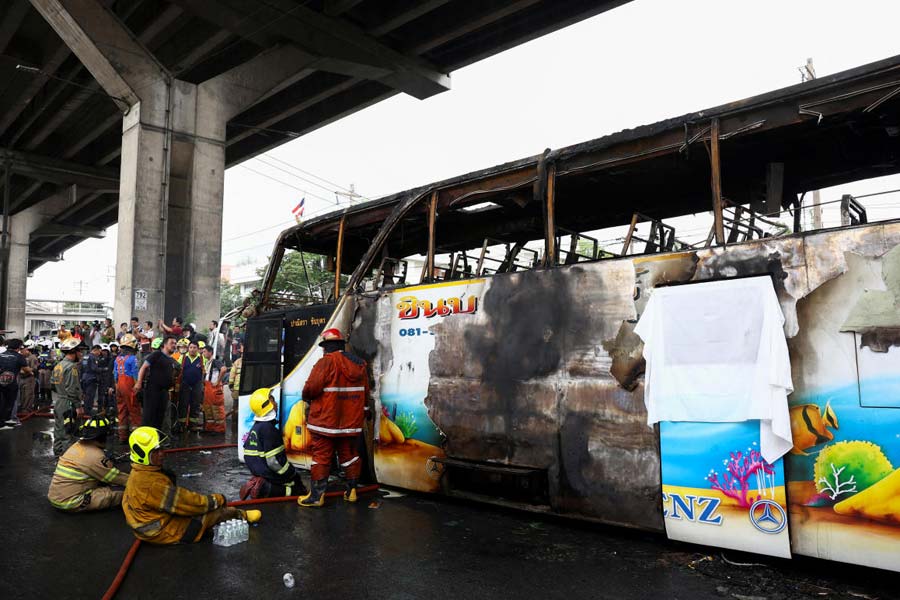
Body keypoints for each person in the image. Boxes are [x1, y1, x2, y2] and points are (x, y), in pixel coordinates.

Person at [122, 426, 261, 544]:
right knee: (212, 514)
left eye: (161, 449)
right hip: (163, 532)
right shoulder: (152, 483)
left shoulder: (138, 472)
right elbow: (188, 503)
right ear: (143, 454)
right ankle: (242, 515)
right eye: (156, 451)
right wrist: (217, 500)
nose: (162, 453)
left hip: (149, 528)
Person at [297, 328, 369, 507]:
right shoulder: (360, 365)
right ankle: (351, 491)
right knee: (349, 455)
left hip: (325, 422)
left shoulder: (326, 363)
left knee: (321, 456)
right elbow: (366, 394)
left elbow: (310, 389)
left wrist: (306, 396)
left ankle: (316, 496)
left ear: (326, 347)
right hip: (350, 423)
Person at [47, 416, 128, 512]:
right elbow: (117, 478)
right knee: (123, 491)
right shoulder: (96, 456)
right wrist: (140, 482)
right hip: (71, 502)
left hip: (55, 497)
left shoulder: (77, 445)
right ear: (102, 437)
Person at [240, 388, 307, 499]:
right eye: (273, 400)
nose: (276, 403)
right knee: (296, 486)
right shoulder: (269, 430)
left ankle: (260, 482)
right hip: (269, 473)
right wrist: (291, 473)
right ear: (267, 406)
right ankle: (265, 488)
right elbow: (274, 462)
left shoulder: (257, 427)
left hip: (258, 471)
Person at [135, 336, 177, 430]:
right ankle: (146, 438)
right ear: (165, 344)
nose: (174, 345)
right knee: (149, 416)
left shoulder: (170, 360)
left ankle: (156, 438)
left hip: (164, 392)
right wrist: (139, 383)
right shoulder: (156, 355)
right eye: (172, 343)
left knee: (160, 417)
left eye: (175, 343)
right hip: (152, 391)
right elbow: (143, 368)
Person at [51, 338, 85, 455]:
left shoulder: (58, 365)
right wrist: (78, 405)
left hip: (59, 401)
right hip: (68, 403)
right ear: (73, 352)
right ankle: (67, 457)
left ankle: (58, 452)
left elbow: (53, 385)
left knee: (59, 429)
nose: (81, 354)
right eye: (79, 351)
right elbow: (72, 389)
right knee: (69, 430)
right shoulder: (72, 367)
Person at [114, 335, 141, 443]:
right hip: (129, 385)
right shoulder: (132, 359)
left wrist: (116, 387)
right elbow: (135, 373)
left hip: (119, 385)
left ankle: (122, 437)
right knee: (134, 410)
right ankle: (136, 437)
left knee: (122, 410)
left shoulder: (117, 359)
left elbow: (115, 374)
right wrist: (137, 386)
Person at [0, 340, 33, 429]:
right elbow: (26, 369)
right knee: (10, 402)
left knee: (2, 402)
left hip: (1, 382)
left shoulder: (1, 355)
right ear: (18, 347)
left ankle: (5, 421)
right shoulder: (19, 356)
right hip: (11, 383)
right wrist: (31, 371)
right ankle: (3, 423)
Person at [175, 341, 205, 433]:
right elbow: (177, 369)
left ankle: (193, 425)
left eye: (194, 347)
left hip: (197, 384)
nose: (192, 349)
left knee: (195, 405)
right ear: (188, 348)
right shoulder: (183, 357)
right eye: (191, 347)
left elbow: (205, 371)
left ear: (198, 349)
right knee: (183, 404)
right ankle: (181, 425)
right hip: (185, 384)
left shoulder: (202, 358)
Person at [201, 345, 227, 433]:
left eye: (204, 351)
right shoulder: (208, 363)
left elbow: (223, 369)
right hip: (208, 387)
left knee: (217, 409)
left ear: (210, 352)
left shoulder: (216, 362)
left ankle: (219, 429)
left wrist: (218, 381)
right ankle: (210, 428)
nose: (203, 353)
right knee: (208, 408)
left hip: (214, 387)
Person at [81, 345, 103, 415]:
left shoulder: (85, 356)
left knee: (85, 395)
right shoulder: (93, 357)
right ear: (95, 350)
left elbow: (81, 367)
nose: (99, 353)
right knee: (90, 395)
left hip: (84, 378)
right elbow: (94, 368)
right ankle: (88, 411)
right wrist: (103, 369)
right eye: (99, 351)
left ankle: (85, 409)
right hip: (91, 378)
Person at [18, 343, 39, 414]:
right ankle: (22, 408)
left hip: (29, 378)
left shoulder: (32, 357)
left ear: (26, 350)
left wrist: (26, 370)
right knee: (22, 394)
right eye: (20, 350)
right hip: (21, 378)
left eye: (22, 350)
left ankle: (27, 409)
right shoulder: (21, 357)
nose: (20, 352)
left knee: (28, 394)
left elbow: (34, 369)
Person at [37, 340, 55, 411]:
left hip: (48, 369)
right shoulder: (41, 352)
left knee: (47, 384)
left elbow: (54, 360)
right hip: (41, 369)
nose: (42, 347)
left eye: (43, 346)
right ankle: (42, 397)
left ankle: (49, 398)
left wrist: (47, 360)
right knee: (41, 384)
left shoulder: (51, 352)